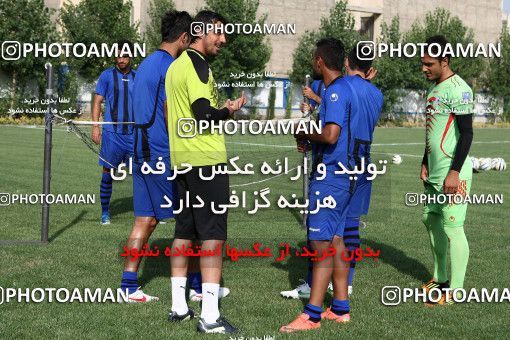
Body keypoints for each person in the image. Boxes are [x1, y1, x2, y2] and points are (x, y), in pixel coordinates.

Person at [165, 10, 246, 333]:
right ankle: (210, 317)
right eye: (218, 33)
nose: (223, 40)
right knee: (213, 236)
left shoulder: (175, 66)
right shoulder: (198, 65)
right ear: (201, 32)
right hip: (205, 163)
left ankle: (178, 306)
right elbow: (202, 114)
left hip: (182, 161)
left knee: (184, 233)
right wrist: (226, 110)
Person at [280, 45, 382, 300]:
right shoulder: (376, 94)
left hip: (337, 165)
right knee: (350, 226)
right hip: (362, 163)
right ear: (371, 69)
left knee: (324, 232)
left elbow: (334, 129)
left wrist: (311, 118)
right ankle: (345, 285)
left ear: (346, 62)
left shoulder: (341, 88)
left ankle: (316, 285)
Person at [280, 38, 357, 333]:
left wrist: (305, 132)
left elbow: (331, 134)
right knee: (336, 241)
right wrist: (312, 142)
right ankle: (340, 308)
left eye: (314, 59)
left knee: (320, 244)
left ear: (320, 62)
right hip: (347, 173)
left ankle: (311, 315)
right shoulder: (347, 88)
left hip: (332, 177)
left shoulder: (336, 92)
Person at [120, 10, 192, 303]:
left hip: (140, 151)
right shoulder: (171, 66)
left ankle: (128, 285)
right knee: (190, 219)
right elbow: (168, 110)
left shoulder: (147, 62)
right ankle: (199, 287)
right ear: (185, 37)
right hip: (160, 152)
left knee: (145, 220)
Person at [420, 35, 473, 306]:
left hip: (455, 173)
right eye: (422, 63)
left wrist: (454, 172)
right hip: (435, 172)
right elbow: (433, 132)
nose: (424, 69)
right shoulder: (433, 90)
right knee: (431, 220)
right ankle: (440, 279)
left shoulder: (459, 89)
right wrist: (424, 161)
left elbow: (466, 135)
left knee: (454, 228)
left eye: (429, 64)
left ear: (445, 61)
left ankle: (457, 289)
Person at [91, 39, 136, 225]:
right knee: (107, 173)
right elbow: (97, 101)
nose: (120, 59)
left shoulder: (139, 76)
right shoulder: (107, 75)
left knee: (144, 173)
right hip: (112, 135)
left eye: (124, 55)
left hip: (134, 134)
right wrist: (95, 126)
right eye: (118, 55)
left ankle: (149, 211)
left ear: (131, 56)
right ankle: (105, 213)